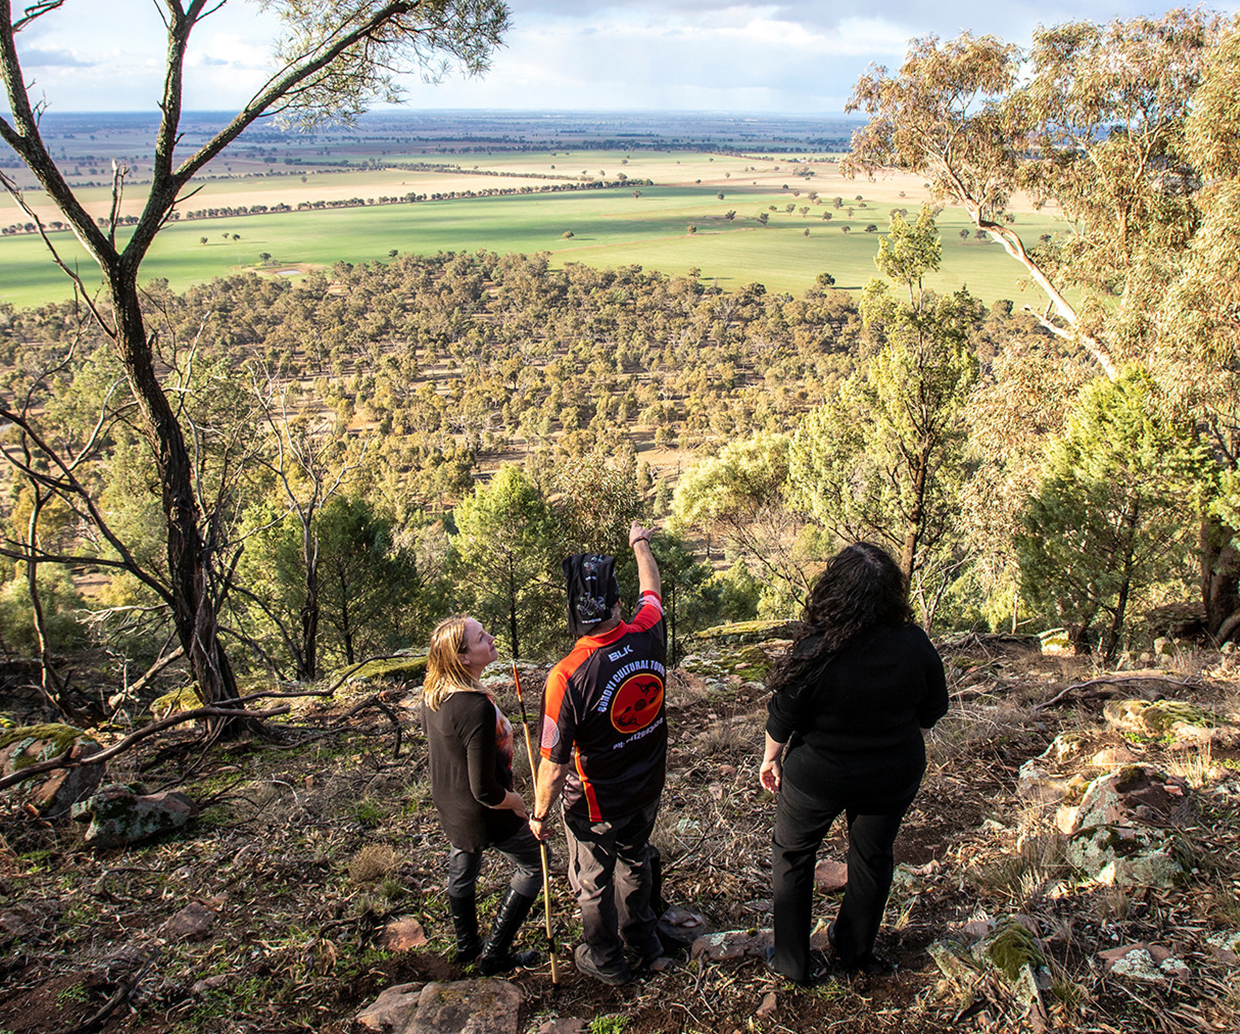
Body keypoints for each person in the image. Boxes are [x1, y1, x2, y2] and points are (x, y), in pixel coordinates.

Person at [760, 542, 948, 984]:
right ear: (891, 595)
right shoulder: (913, 644)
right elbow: (933, 710)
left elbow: (783, 714)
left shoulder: (816, 648)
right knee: (872, 858)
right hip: (892, 773)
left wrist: (770, 759)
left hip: (816, 778)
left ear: (835, 589)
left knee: (792, 857)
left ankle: (791, 961)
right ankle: (854, 951)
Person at [530, 523, 667, 986]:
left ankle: (607, 959)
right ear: (616, 606)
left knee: (592, 879)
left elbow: (552, 763)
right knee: (636, 858)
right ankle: (645, 940)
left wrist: (539, 813)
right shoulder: (649, 631)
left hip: (596, 802)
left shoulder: (566, 677)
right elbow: (652, 587)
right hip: (647, 785)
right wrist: (639, 542)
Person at [422, 614, 543, 975]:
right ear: (462, 657)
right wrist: (517, 802)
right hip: (484, 810)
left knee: (463, 868)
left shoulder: (433, 695)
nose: (490, 638)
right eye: (480, 637)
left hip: (451, 806)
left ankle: (467, 945)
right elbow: (486, 789)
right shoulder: (474, 707)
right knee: (535, 862)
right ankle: (494, 954)